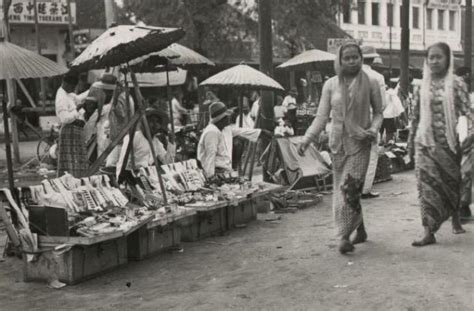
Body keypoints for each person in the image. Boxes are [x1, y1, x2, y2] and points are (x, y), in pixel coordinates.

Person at [297, 43, 383, 254]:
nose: (352, 61)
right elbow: (321, 116)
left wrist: (373, 128)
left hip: (361, 142)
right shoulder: (330, 85)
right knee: (346, 190)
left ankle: (344, 236)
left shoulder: (371, 82)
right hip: (337, 144)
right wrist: (307, 139)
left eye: (356, 57)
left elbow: (379, 113)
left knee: (349, 189)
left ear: (362, 59)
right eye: (348, 58)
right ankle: (360, 229)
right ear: (340, 60)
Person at [408, 42, 470, 247]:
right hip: (424, 144)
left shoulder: (457, 84)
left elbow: (468, 113)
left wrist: (468, 137)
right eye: (430, 57)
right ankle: (428, 231)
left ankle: (454, 216)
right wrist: (410, 140)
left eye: (438, 57)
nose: (434, 61)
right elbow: (415, 116)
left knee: (451, 185)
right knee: (425, 187)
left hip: (449, 145)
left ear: (448, 59)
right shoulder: (420, 85)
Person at [197, 101, 271, 178]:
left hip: (226, 168)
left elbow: (242, 131)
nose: (229, 118)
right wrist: (210, 177)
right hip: (216, 171)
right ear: (221, 119)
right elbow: (210, 156)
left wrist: (261, 132)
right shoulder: (212, 132)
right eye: (227, 117)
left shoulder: (225, 129)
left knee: (239, 140)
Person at [360, 46, 388, 199]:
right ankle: (365, 189)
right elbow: (382, 104)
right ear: (372, 59)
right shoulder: (377, 77)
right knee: (371, 154)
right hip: (370, 120)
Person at [116, 108, 176, 176]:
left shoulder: (156, 142)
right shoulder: (133, 138)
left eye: (157, 122)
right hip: (133, 176)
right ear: (144, 123)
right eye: (152, 121)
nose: (155, 125)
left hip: (148, 176)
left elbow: (167, 162)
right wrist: (120, 180)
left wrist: (171, 142)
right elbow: (122, 162)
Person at [55, 74, 89, 178]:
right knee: (70, 160)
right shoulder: (61, 97)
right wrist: (77, 110)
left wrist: (93, 89)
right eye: (73, 86)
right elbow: (65, 119)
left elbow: (78, 98)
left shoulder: (67, 93)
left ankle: (76, 179)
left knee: (76, 159)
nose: (74, 89)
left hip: (74, 129)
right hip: (68, 129)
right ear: (66, 84)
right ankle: (69, 181)